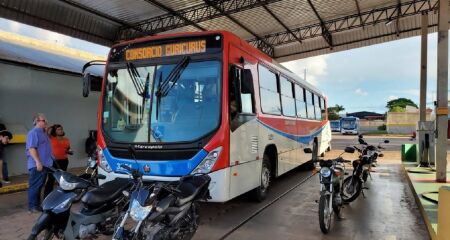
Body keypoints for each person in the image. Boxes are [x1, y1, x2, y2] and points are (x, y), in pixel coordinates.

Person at [26, 113, 53, 213]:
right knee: (35, 186)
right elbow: (32, 148)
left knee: (39, 185)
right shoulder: (33, 133)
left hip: (45, 164)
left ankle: (36, 206)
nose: (46, 122)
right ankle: (32, 207)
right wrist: (38, 162)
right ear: (37, 122)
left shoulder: (43, 133)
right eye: (44, 120)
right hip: (37, 164)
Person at [44, 124, 72, 197]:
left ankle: (61, 195)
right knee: (51, 179)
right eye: (58, 129)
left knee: (62, 179)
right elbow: (46, 133)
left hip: (64, 161)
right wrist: (52, 126)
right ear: (55, 131)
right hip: (53, 161)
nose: (61, 131)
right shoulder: (51, 138)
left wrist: (69, 151)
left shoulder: (66, 139)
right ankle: (47, 196)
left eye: (61, 129)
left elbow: (68, 149)